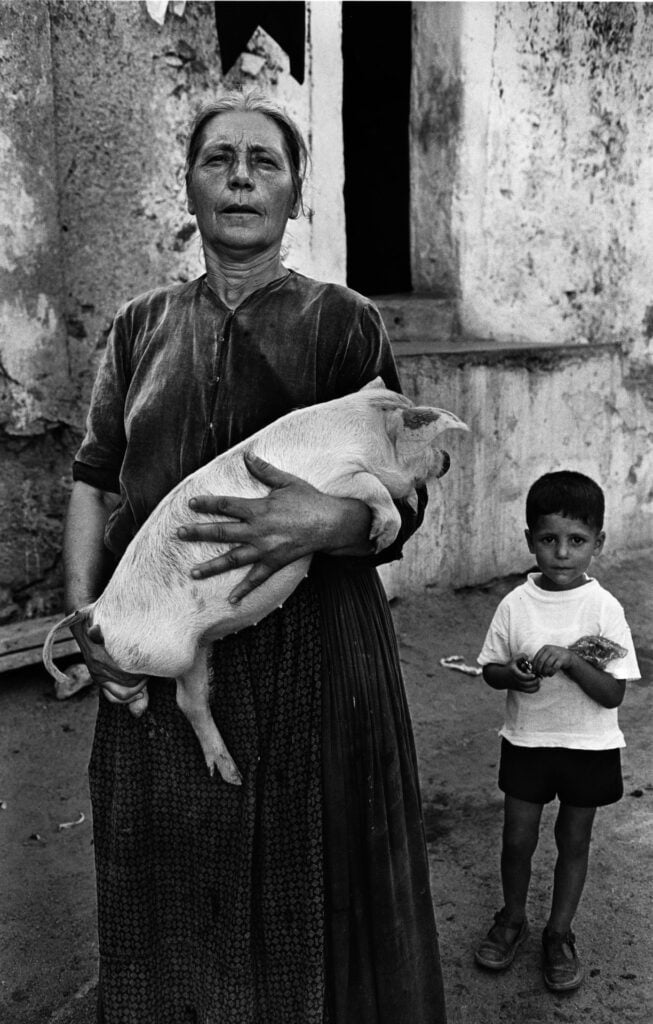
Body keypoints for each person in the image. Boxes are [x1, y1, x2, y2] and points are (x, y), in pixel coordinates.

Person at [63, 89, 447, 1024]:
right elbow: (92, 479)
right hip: (156, 626)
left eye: (264, 161)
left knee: (303, 875)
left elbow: (407, 492)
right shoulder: (137, 325)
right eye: (218, 159)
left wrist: (322, 524)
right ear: (187, 186)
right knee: (167, 865)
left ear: (294, 194)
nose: (240, 176)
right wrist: (87, 625)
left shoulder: (343, 321)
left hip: (312, 645)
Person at [474, 470, 639, 992]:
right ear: (529, 541)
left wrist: (570, 660)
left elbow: (614, 693)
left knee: (573, 840)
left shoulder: (604, 609)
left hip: (587, 747)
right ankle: (513, 918)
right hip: (527, 742)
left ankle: (559, 932)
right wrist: (514, 675)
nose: (562, 553)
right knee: (517, 838)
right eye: (549, 540)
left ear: (598, 543)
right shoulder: (515, 605)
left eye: (577, 541)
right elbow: (490, 669)